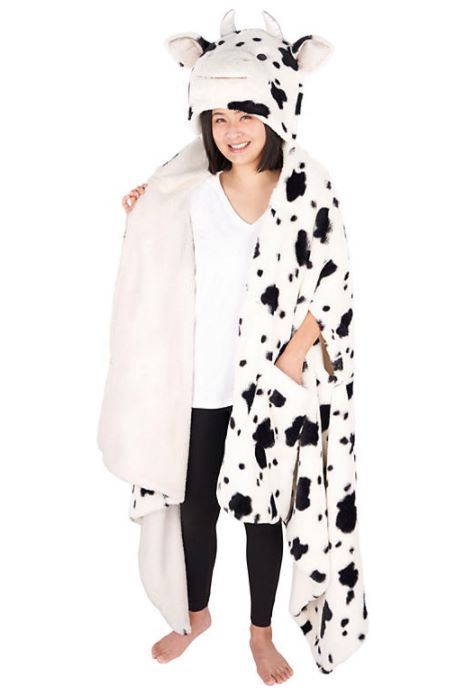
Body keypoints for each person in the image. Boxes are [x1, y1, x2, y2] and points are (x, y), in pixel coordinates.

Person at [121, 107, 324, 683]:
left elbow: (331, 284)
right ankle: (196, 614)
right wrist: (143, 216)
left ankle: (261, 633)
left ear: (272, 118)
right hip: (198, 381)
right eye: (219, 119)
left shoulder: (301, 192)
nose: (233, 132)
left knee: (263, 513)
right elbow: (158, 271)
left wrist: (291, 358)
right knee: (195, 508)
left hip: (267, 389)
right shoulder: (193, 193)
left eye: (246, 118)